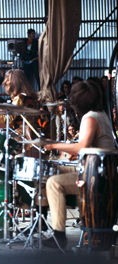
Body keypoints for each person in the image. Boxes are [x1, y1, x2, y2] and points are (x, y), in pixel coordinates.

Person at [43, 80, 115, 248]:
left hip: (96, 177)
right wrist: (76, 155)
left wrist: (52, 144)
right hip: (96, 168)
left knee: (54, 183)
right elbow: (91, 147)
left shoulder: (90, 118)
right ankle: (48, 221)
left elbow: (82, 146)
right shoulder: (101, 113)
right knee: (55, 169)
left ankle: (59, 235)